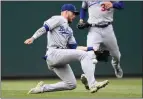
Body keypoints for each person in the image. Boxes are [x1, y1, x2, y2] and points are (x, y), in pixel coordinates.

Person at [24, 4, 109, 94]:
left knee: (71, 84)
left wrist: (92, 48)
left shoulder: (69, 30)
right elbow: (44, 28)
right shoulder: (59, 19)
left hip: (59, 56)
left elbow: (75, 48)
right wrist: (33, 38)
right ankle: (93, 84)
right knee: (84, 55)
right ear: (66, 12)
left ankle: (42, 88)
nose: (74, 16)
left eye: (75, 14)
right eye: (73, 13)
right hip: (53, 53)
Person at [77, 1, 124, 90]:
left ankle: (116, 65)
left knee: (116, 55)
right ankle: (90, 81)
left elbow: (122, 5)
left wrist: (112, 4)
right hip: (93, 29)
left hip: (108, 29)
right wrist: (81, 20)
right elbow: (83, 8)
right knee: (90, 55)